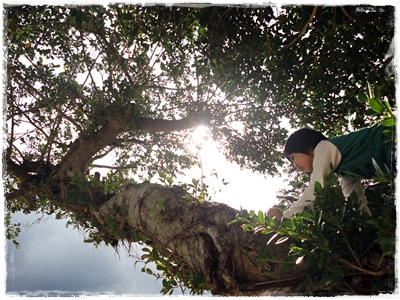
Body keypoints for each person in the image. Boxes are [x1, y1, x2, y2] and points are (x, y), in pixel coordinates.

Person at [267, 124, 394, 220]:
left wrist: (285, 216)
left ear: (306, 146)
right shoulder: (343, 171)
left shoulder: (323, 147)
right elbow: (356, 201)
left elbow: (316, 190)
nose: (295, 165)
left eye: (293, 157)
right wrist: (365, 227)